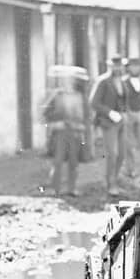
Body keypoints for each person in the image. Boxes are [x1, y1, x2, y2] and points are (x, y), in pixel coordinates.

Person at [42, 65, 89, 197]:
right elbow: (45, 113)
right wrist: (55, 124)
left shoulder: (80, 96)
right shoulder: (57, 96)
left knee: (73, 161)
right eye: (66, 79)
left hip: (75, 133)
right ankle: (54, 188)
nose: (68, 82)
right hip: (60, 133)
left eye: (71, 79)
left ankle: (71, 188)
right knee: (58, 161)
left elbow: (86, 115)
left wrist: (82, 126)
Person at [89, 54, 130, 197]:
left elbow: (124, 101)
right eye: (115, 66)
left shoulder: (122, 82)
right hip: (108, 122)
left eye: (120, 66)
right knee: (112, 154)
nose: (118, 69)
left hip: (121, 122)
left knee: (122, 154)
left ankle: (115, 180)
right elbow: (93, 103)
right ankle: (110, 185)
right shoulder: (103, 82)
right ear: (110, 66)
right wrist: (110, 112)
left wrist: (124, 113)